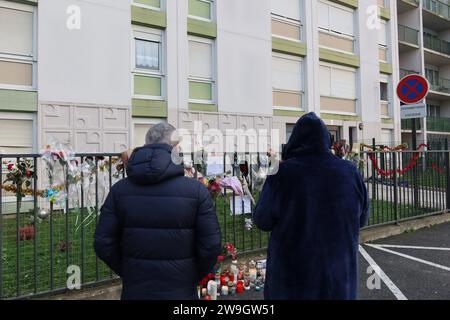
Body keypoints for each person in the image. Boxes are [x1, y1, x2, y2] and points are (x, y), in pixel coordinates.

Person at [94, 123, 222, 300]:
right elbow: (211, 245)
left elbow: (103, 243)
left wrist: (129, 271)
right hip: (181, 290)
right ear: (176, 148)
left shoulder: (119, 190)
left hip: (136, 289)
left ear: (146, 144)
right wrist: (191, 274)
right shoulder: (196, 191)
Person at [253, 112, 369, 300]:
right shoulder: (351, 172)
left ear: (294, 141)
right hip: (339, 283)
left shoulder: (282, 174)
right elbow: (362, 219)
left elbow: (262, 220)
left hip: (293, 285)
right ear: (326, 140)